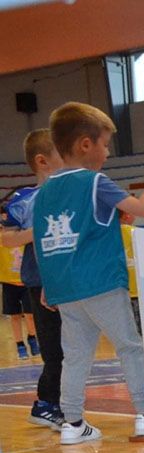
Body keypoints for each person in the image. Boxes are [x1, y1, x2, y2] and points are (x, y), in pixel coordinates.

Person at [32, 102, 144, 444]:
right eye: (105, 144)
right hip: (102, 283)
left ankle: (72, 423)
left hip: (66, 289)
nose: (107, 152)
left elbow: (44, 239)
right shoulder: (95, 182)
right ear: (85, 145)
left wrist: (49, 284)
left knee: (75, 356)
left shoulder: (44, 190)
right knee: (130, 347)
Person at [0, 130, 64, 427]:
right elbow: (6, 238)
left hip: (71, 279)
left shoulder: (69, 193)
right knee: (54, 348)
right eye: (62, 154)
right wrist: (38, 231)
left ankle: (66, 402)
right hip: (40, 281)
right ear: (42, 161)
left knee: (74, 346)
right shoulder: (23, 200)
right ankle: (47, 402)